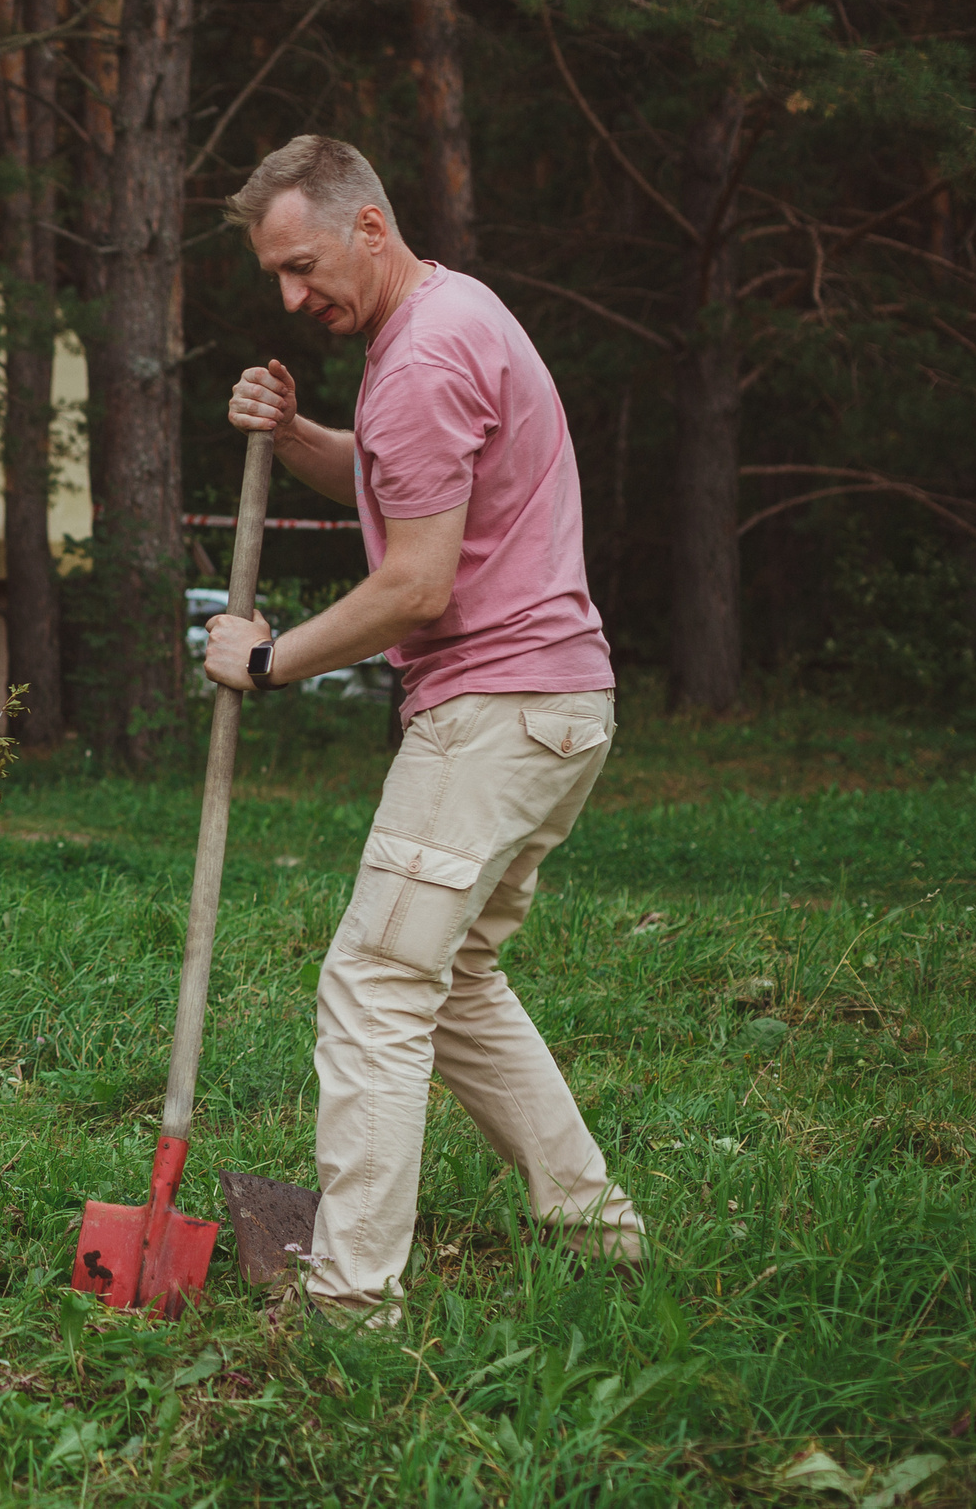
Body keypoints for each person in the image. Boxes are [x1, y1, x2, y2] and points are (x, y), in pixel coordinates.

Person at [204, 134, 644, 1324]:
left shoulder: (420, 357)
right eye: (274, 281)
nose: (293, 299)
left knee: (377, 988)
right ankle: (594, 1225)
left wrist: (270, 658)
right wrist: (294, 436)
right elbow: (401, 478)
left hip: (494, 710)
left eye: (302, 267)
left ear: (367, 226)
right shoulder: (450, 316)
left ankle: (352, 1304)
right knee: (452, 983)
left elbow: (416, 585)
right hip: (559, 707)